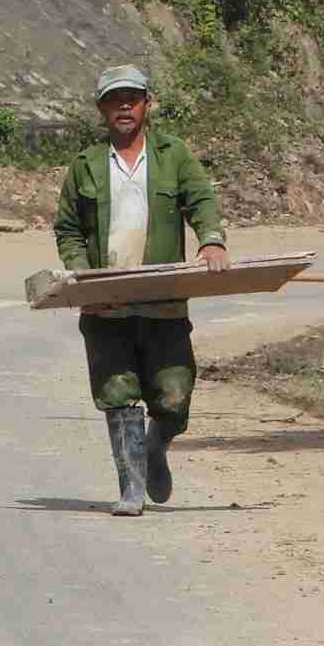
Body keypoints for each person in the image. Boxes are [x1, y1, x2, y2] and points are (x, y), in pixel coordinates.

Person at [52, 64, 229, 517]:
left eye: (132, 98)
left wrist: (211, 239)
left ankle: (157, 442)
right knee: (118, 393)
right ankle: (131, 488)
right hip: (105, 304)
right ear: (102, 110)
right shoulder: (85, 166)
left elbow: (201, 200)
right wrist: (81, 275)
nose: (124, 106)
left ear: (147, 103)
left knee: (174, 395)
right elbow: (68, 227)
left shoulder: (173, 156)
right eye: (114, 100)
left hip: (163, 302)